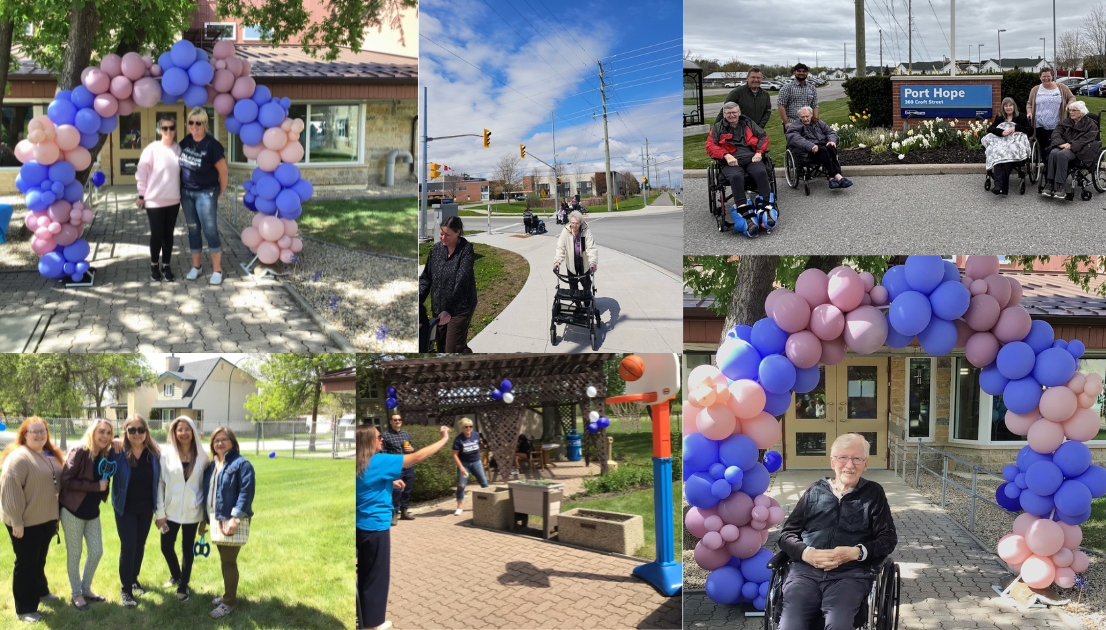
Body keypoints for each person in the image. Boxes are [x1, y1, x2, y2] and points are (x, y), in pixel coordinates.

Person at [776, 434, 897, 630]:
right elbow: (786, 535)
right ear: (833, 462)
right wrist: (807, 553)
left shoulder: (874, 494)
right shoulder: (814, 491)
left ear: (865, 464)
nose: (849, 465)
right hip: (805, 573)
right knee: (791, 625)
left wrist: (856, 552)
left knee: (839, 624)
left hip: (850, 575)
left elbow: (888, 539)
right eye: (843, 458)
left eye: (857, 459)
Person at [358, 423, 452, 630]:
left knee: (364, 574)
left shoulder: (358, 462)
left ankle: (363, 618)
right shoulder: (378, 460)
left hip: (360, 527)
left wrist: (389, 483)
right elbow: (417, 457)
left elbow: (364, 485)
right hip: (376, 528)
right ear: (368, 441)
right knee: (377, 576)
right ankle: (371, 625)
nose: (381, 439)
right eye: (378, 436)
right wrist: (444, 439)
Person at [0, 418, 64, 623]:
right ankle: (25, 609)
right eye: (34, 431)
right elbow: (10, 488)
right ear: (24, 434)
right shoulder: (18, 457)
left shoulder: (46, 454)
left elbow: (54, 484)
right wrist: (16, 520)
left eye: (42, 431)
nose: (39, 435)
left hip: (46, 518)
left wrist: (56, 514)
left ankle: (41, 591)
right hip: (24, 522)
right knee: (26, 563)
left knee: (39, 560)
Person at [108, 414, 162, 609]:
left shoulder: (154, 453)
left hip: (146, 508)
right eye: (132, 430)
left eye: (141, 429)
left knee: (140, 545)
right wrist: (114, 439)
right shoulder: (117, 451)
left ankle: (133, 579)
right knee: (128, 545)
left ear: (146, 432)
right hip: (125, 508)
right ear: (126, 432)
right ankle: (126, 590)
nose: (136, 433)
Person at [200, 427, 255, 619]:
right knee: (225, 561)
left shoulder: (242, 464)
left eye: (224, 439)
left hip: (230, 520)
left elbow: (246, 493)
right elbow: (207, 493)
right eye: (216, 440)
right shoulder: (212, 465)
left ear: (232, 442)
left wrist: (235, 518)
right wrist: (203, 519)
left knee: (229, 562)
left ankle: (230, 603)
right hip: (215, 519)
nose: (220, 443)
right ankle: (227, 595)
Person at [59, 419, 113, 612]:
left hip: (92, 512)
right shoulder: (80, 450)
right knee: (75, 554)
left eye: (108, 432)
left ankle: (86, 588)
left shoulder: (105, 453)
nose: (105, 436)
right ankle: (76, 593)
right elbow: (66, 479)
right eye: (101, 432)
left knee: (97, 551)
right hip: (73, 510)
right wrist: (94, 486)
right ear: (93, 431)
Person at [156, 416, 208, 602]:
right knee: (166, 547)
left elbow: (205, 488)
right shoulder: (166, 455)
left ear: (193, 431)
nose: (184, 432)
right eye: (180, 429)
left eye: (187, 429)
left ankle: (183, 586)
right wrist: (160, 513)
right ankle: (176, 574)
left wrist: (204, 518)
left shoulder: (202, 456)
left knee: (188, 549)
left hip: (193, 513)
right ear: (174, 433)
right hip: (170, 512)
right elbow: (160, 485)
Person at [178, 106, 229, 285]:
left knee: (210, 230)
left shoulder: (212, 145)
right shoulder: (185, 142)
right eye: (191, 122)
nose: (194, 126)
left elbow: (223, 172)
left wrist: (220, 191)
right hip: (187, 193)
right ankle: (196, 267)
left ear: (205, 123)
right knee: (193, 229)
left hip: (206, 193)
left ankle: (217, 270)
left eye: (198, 122)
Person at [705, 102, 775, 229]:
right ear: (723, 114)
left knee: (761, 171)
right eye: (728, 113)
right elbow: (710, 146)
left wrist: (759, 152)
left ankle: (765, 208)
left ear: (739, 113)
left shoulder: (748, 123)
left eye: (734, 112)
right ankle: (744, 211)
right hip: (730, 161)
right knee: (736, 176)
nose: (732, 115)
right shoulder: (717, 128)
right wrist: (726, 155)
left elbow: (763, 136)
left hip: (751, 157)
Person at [134, 113, 182, 282]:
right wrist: (141, 194)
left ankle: (166, 265)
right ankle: (154, 265)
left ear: (175, 130)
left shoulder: (179, 149)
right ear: (160, 130)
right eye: (164, 128)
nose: (168, 131)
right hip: (154, 200)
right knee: (157, 233)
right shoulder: (152, 148)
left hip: (173, 200)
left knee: (168, 234)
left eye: (171, 128)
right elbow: (142, 172)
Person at [418, 216, 476, 353]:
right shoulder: (436, 250)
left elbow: (462, 282)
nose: (443, 238)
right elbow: (426, 279)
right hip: (439, 307)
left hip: (461, 307)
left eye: (447, 235)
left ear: (458, 232)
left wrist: (449, 310)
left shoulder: (466, 251)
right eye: (441, 233)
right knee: (442, 347)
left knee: (452, 348)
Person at [1043, 101, 1101, 198]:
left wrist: (1071, 145)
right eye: (1070, 110)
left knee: (1062, 154)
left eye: (1074, 110)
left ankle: (1060, 186)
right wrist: (1061, 144)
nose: (1071, 112)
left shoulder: (1090, 125)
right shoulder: (1066, 122)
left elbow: (1086, 139)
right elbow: (1056, 133)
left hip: (1079, 151)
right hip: (1063, 146)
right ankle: (1049, 183)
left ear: (1081, 112)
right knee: (1053, 152)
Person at [785, 106, 853, 189]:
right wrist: (810, 145)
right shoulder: (795, 126)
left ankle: (832, 178)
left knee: (831, 147)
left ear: (811, 115)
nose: (805, 119)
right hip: (808, 151)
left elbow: (831, 132)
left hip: (823, 146)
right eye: (803, 117)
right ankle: (838, 176)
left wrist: (831, 140)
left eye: (807, 116)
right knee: (823, 150)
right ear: (799, 117)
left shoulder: (818, 123)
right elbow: (795, 138)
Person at [1026, 67, 1076, 166]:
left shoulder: (1061, 87)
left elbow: (1072, 97)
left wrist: (1069, 104)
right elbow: (1029, 104)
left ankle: (1052, 171)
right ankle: (1046, 169)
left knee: (1053, 148)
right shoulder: (1035, 90)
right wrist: (1029, 112)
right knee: (1043, 147)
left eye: (1048, 76)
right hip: (1039, 124)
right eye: (1044, 76)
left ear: (1052, 76)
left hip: (1056, 124)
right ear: (1040, 77)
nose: (1046, 78)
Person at [982, 97, 1033, 195]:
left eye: (1010, 105)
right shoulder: (1000, 118)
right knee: (997, 152)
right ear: (1003, 107)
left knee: (1008, 152)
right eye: (1006, 106)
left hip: (1014, 142)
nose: (1008, 108)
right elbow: (990, 129)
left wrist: (1015, 128)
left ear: (1014, 107)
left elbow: (1030, 131)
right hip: (1001, 141)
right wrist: (1001, 132)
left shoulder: (1021, 117)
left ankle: (1000, 186)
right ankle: (999, 186)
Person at [552, 210, 598, 309]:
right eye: (572, 223)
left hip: (583, 262)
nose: (574, 226)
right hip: (571, 263)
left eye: (577, 223)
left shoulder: (586, 231)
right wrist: (557, 261)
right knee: (573, 286)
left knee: (586, 284)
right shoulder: (566, 231)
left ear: (581, 223)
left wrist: (593, 262)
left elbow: (591, 248)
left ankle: (586, 303)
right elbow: (560, 247)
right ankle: (577, 304)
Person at [380, 414, 415, 526]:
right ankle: (393, 514)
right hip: (395, 468)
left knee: (407, 490)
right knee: (396, 492)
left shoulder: (406, 434)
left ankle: (404, 512)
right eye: (395, 420)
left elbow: (412, 448)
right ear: (391, 421)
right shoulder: (385, 435)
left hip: (408, 466)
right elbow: (383, 452)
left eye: (399, 419)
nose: (397, 421)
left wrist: (411, 449)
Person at [451, 420, 489, 516]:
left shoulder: (476, 435)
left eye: (470, 426)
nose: (468, 428)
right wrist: (461, 467)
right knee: (461, 486)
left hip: (476, 462)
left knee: (484, 483)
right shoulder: (458, 439)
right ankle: (459, 508)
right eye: (466, 427)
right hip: (464, 464)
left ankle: (489, 504)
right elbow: (455, 455)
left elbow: (480, 445)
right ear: (462, 428)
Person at [777, 63, 819, 129]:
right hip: (792, 124)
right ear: (794, 72)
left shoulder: (812, 88)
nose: (801, 73)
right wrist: (786, 122)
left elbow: (815, 105)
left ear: (807, 73)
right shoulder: (786, 88)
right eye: (799, 71)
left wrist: (816, 121)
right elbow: (781, 105)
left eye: (804, 71)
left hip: (808, 123)